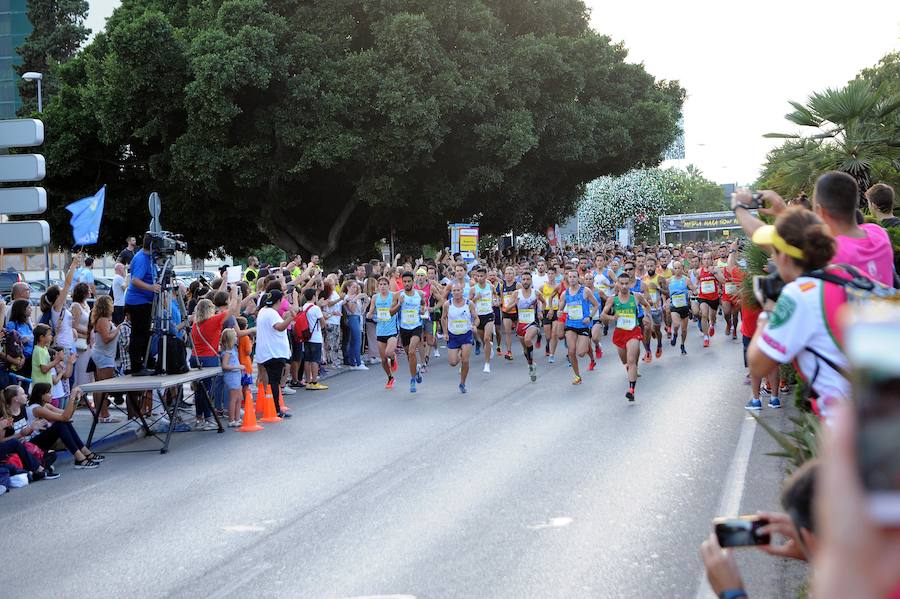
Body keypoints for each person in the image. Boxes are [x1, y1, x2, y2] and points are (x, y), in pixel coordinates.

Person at [746, 207, 850, 418]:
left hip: (846, 422)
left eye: (773, 252)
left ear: (783, 257)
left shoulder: (800, 293)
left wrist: (767, 311)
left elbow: (757, 364)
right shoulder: (847, 273)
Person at [733, 172, 894, 287]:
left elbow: (762, 235)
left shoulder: (827, 251)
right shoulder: (879, 234)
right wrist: (785, 211)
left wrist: (738, 206)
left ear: (821, 211)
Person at [17, 383, 103, 469]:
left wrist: (76, 400)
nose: (52, 395)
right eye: (49, 393)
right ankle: (80, 457)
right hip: (31, 444)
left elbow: (67, 414)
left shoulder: (45, 405)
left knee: (64, 423)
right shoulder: (36, 409)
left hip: (40, 439)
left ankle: (84, 453)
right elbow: (65, 417)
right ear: (41, 395)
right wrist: (72, 397)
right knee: (61, 424)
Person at [601, 272, 651, 402]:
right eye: (621, 283)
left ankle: (631, 390)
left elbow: (647, 306)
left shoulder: (636, 296)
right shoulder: (613, 299)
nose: (624, 286)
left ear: (630, 284)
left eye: (626, 283)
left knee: (631, 360)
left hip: (633, 331)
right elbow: (603, 315)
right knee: (625, 362)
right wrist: (613, 317)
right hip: (620, 333)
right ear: (617, 284)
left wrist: (646, 316)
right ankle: (631, 370)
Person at [254, 289, 297, 416]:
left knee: (270, 381)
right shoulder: (271, 313)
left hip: (267, 352)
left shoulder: (263, 311)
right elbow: (279, 327)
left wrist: (289, 315)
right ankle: (275, 409)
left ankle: (272, 407)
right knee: (274, 382)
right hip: (274, 353)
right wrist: (291, 319)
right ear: (278, 301)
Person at [125, 234, 161, 374]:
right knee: (139, 334)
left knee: (145, 333)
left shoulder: (148, 257)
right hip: (138, 302)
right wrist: (152, 288)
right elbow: (135, 280)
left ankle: (148, 361)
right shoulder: (141, 259)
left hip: (144, 301)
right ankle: (136, 366)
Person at [558, 270, 600, 385]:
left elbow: (596, 305)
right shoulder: (565, 293)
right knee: (571, 351)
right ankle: (577, 376)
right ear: (567, 279)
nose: (571, 279)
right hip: (570, 325)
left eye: (574, 277)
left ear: (578, 278)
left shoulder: (585, 291)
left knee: (581, 353)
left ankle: (592, 358)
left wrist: (590, 317)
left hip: (583, 325)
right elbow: (560, 308)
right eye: (570, 277)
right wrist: (559, 312)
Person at [89, 296, 121, 423]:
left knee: (100, 386)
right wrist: (117, 330)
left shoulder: (104, 319)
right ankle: (104, 414)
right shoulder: (103, 320)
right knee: (104, 387)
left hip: (102, 354)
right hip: (104, 356)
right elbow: (106, 338)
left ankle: (99, 414)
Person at [441, 282, 477, 393]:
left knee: (465, 361)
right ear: (451, 292)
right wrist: (445, 333)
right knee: (452, 362)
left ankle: (462, 383)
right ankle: (460, 352)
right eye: (454, 291)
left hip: (466, 334)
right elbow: (443, 318)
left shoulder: (469, 303)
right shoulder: (447, 304)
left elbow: (476, 318)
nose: (456, 292)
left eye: (458, 290)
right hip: (453, 335)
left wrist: (474, 325)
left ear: (462, 291)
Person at [395, 272, 427, 393]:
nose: (407, 284)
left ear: (413, 281)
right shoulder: (399, 295)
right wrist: (399, 304)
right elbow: (391, 312)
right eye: (405, 282)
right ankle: (416, 370)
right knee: (410, 355)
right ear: (402, 282)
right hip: (404, 328)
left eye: (409, 281)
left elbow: (423, 304)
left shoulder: (419, 293)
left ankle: (412, 379)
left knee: (413, 351)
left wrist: (423, 310)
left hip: (417, 326)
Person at [509, 272, 544, 382]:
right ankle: (531, 364)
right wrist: (514, 303)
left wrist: (540, 312)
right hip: (521, 324)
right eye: (523, 279)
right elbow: (507, 308)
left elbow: (544, 303)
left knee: (528, 339)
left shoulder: (536, 293)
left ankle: (538, 334)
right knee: (525, 350)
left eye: (527, 279)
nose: (525, 281)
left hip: (533, 322)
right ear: (521, 281)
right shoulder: (516, 293)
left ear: (531, 281)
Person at [367, 277, 399, 389]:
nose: (382, 286)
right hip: (380, 330)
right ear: (377, 286)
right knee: (384, 359)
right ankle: (390, 377)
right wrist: (372, 316)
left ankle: (394, 358)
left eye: (384, 284)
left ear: (388, 286)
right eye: (380, 284)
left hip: (392, 330)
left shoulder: (393, 295)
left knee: (389, 352)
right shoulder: (375, 298)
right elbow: (370, 313)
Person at [470, 267, 496, 373]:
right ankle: (489, 347)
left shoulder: (490, 287)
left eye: (481, 276)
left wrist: (495, 301)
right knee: (484, 341)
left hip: (489, 314)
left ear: (486, 276)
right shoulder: (473, 289)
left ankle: (487, 364)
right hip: (478, 316)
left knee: (486, 338)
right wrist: (476, 298)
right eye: (478, 276)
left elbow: (496, 296)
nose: (479, 278)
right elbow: (469, 302)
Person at [666, 260, 694, 355]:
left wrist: (693, 291)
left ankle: (682, 345)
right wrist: (666, 301)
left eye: (679, 268)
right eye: (675, 268)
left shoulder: (686, 280)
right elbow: (665, 292)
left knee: (684, 329)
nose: (677, 270)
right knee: (676, 324)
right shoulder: (669, 280)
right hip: (674, 306)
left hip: (684, 307)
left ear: (682, 268)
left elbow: (694, 289)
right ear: (673, 269)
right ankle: (675, 334)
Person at [218, 329, 243, 427]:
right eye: (235, 337)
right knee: (233, 398)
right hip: (232, 376)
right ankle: (232, 420)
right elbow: (224, 366)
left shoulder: (233, 350)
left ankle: (237, 418)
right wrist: (237, 367)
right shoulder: (227, 352)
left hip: (236, 375)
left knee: (238, 397)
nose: (237, 338)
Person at [5, 299, 34, 382]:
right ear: (22, 309)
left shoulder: (27, 325)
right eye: (28, 307)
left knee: (26, 384)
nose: (31, 309)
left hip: (28, 360)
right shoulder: (12, 324)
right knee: (15, 387)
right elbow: (8, 342)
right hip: (17, 361)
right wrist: (21, 341)